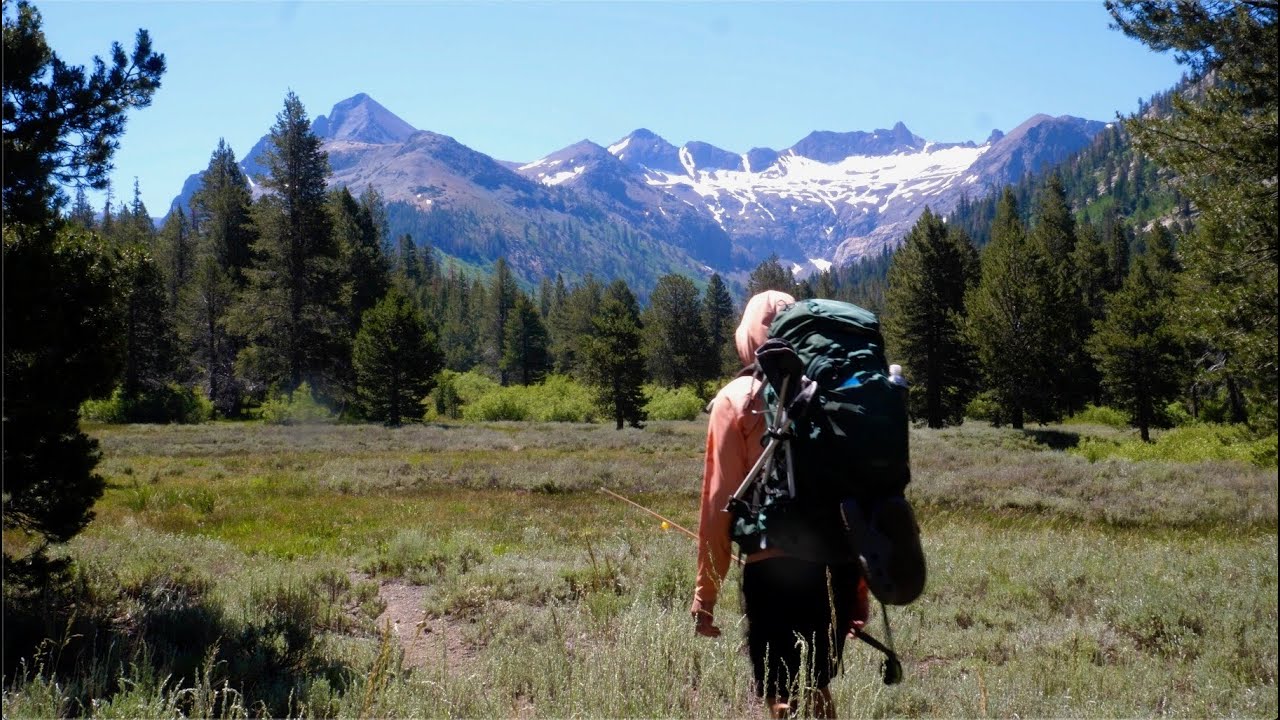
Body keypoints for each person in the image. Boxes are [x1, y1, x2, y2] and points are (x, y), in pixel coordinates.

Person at [692, 290, 868, 719]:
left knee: (780, 696)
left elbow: (719, 505)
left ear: (748, 337)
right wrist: (859, 591)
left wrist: (705, 594)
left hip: (771, 568)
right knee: (818, 687)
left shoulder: (736, 399)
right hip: (834, 566)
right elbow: (856, 496)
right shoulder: (828, 394)